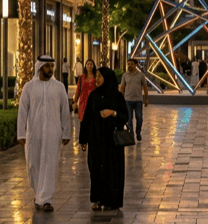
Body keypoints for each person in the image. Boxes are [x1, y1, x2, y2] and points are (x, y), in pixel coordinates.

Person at [17, 55, 72, 211]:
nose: (50, 69)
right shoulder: (29, 87)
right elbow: (22, 112)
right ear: (39, 67)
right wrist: (20, 133)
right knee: (33, 164)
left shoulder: (59, 86)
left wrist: (66, 133)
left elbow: (65, 112)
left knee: (50, 164)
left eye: (51, 66)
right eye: (47, 66)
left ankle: (46, 199)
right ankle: (38, 194)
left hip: (53, 134)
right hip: (33, 133)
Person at [79, 67, 129, 211]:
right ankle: (97, 199)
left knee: (112, 171)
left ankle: (111, 200)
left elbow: (125, 117)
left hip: (112, 142)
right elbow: (87, 118)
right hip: (96, 140)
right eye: (97, 76)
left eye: (100, 76)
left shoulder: (117, 96)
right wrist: (83, 139)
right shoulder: (94, 95)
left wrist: (113, 113)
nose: (98, 79)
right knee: (95, 169)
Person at [119, 59, 149, 141]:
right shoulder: (125, 75)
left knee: (139, 118)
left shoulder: (141, 75)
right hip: (127, 100)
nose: (129, 65)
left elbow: (145, 87)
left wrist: (146, 99)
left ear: (135, 65)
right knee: (129, 119)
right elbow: (122, 88)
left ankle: (138, 132)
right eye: (128, 64)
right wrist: (121, 100)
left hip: (138, 100)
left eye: (131, 64)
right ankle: (130, 135)